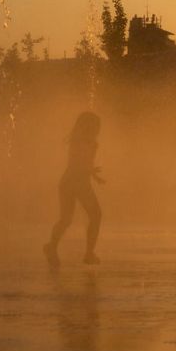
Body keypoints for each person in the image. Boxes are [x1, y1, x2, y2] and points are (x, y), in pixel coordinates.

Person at [44, 112, 104, 267]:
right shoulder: (78, 141)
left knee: (69, 219)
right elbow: (76, 162)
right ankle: (87, 253)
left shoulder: (91, 143)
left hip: (74, 182)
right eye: (93, 125)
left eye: (97, 125)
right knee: (90, 216)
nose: (97, 128)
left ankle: (53, 246)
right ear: (85, 125)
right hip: (74, 182)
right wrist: (90, 172)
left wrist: (94, 175)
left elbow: (85, 163)